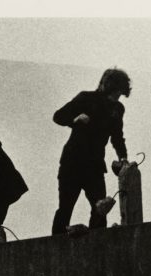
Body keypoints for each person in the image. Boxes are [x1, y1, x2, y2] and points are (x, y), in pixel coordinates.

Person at [51, 68, 131, 234]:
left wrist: (123, 158)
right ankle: (56, 246)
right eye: (116, 92)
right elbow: (58, 116)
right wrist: (75, 119)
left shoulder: (117, 109)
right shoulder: (86, 98)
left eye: (120, 94)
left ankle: (98, 246)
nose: (117, 97)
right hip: (72, 162)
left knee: (100, 208)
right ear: (108, 87)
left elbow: (117, 137)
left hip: (94, 165)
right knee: (65, 207)